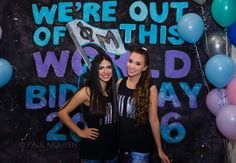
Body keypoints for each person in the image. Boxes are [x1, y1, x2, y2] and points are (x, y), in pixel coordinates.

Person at [58, 53, 119, 163]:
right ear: (95, 71)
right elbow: (62, 112)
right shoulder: (87, 91)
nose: (106, 71)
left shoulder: (111, 91)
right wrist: (80, 132)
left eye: (109, 67)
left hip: (112, 154)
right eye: (101, 68)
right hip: (92, 154)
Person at [117, 47, 170, 163]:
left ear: (145, 67)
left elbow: (154, 120)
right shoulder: (119, 83)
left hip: (140, 149)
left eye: (138, 63)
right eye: (130, 61)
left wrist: (159, 149)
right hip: (119, 147)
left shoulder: (150, 88)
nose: (131, 66)